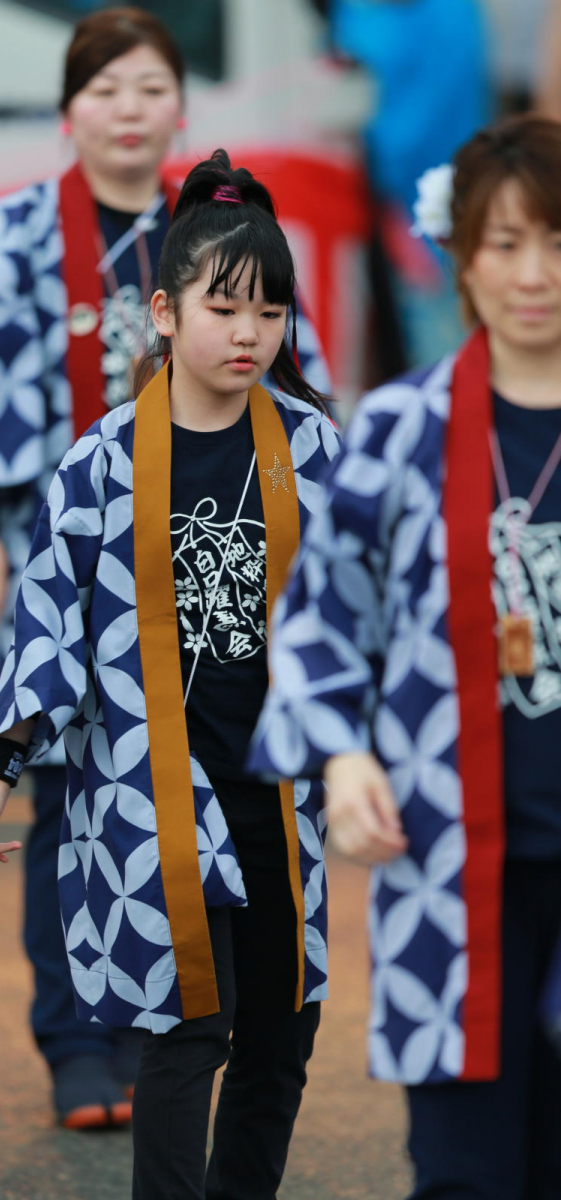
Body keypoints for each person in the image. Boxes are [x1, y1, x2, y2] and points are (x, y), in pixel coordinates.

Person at [0, 7, 329, 1129]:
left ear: (178, 111)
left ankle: (192, 1021)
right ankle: (79, 1043)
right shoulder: (9, 236)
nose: (129, 111)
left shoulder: (224, 235)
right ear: (67, 113)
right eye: (105, 91)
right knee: (67, 793)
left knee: (227, 799)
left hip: (217, 549)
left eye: (151, 89)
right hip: (65, 556)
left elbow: (308, 395)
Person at [251, 114, 561, 1200]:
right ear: (459, 255)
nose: (532, 275)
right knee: (467, 1172)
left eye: (557, 244)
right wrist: (338, 759)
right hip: (446, 859)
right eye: (504, 243)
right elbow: (321, 621)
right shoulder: (398, 428)